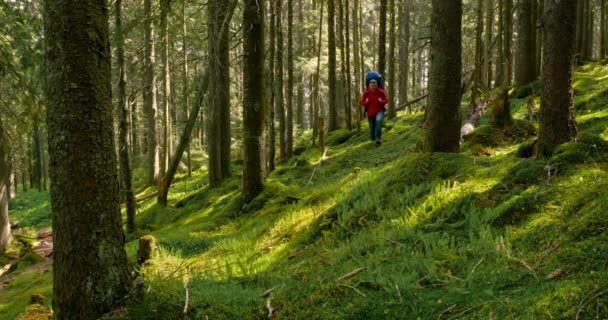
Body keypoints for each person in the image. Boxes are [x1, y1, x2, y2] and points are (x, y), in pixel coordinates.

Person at [361, 78, 389, 145]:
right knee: (372, 127)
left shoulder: (380, 91)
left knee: (378, 122)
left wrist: (381, 101)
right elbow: (362, 103)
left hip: (379, 111)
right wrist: (366, 102)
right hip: (370, 113)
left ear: (377, 84)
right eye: (371, 84)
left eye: (374, 83)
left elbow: (386, 100)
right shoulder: (366, 93)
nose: (373, 85)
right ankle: (373, 139)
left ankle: (378, 139)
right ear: (369, 85)